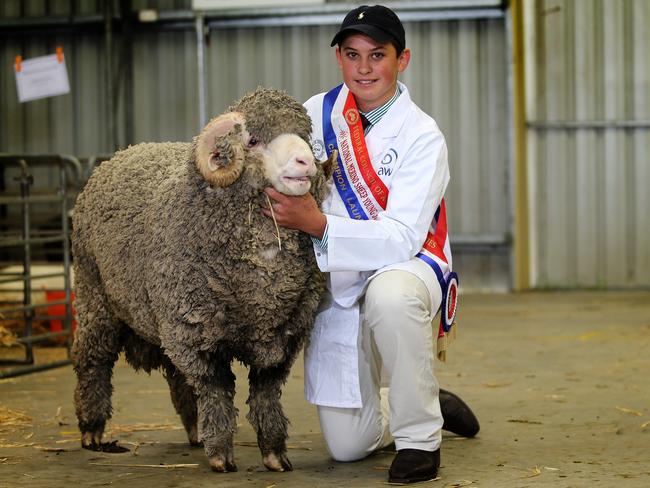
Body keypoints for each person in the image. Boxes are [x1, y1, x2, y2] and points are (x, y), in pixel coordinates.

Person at [261, 5, 479, 483]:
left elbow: (402, 235)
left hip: (407, 263)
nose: (363, 68)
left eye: (377, 55)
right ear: (339, 57)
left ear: (402, 60)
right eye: (352, 54)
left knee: (391, 296)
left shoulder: (423, 136)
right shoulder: (315, 114)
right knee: (347, 448)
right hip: (335, 271)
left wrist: (317, 225)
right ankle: (419, 396)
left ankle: (420, 438)